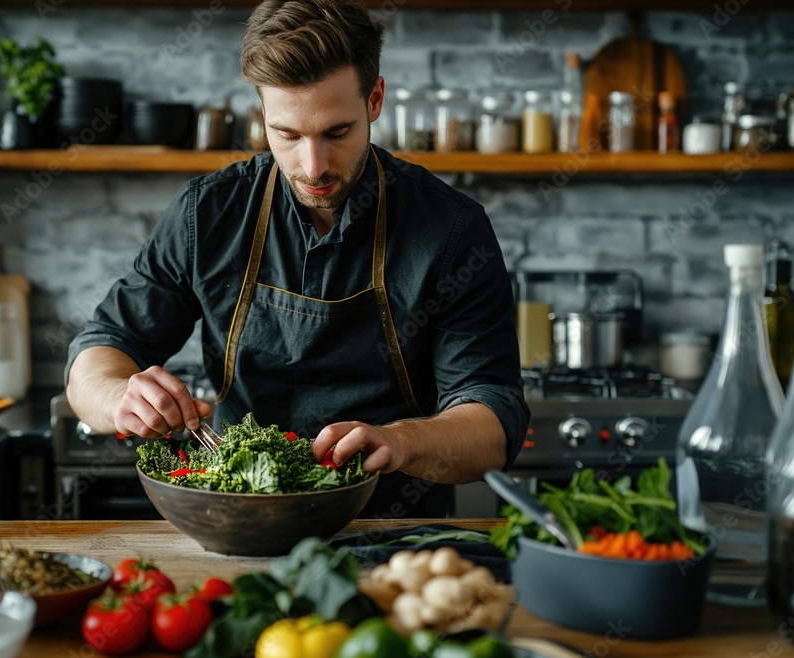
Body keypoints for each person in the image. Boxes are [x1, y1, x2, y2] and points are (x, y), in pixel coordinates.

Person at [65, 0, 529, 518]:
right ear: (262, 113)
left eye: (336, 133)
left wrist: (401, 443)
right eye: (286, 134)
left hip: (395, 535)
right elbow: (100, 349)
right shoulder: (207, 214)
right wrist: (119, 398)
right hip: (237, 526)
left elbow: (494, 420)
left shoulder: (451, 231)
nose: (313, 167)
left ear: (374, 100)